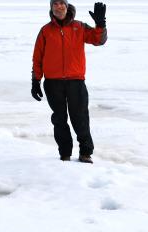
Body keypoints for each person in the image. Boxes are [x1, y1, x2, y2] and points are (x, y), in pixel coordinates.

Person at [31, 0, 107, 163]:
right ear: (51, 8)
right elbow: (38, 57)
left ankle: (85, 152)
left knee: (80, 118)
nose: (59, 7)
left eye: (62, 4)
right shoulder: (45, 31)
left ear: (67, 6)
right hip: (53, 83)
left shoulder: (79, 27)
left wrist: (100, 24)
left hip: (76, 82)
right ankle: (65, 153)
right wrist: (35, 80)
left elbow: (98, 40)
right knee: (59, 119)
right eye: (55, 4)